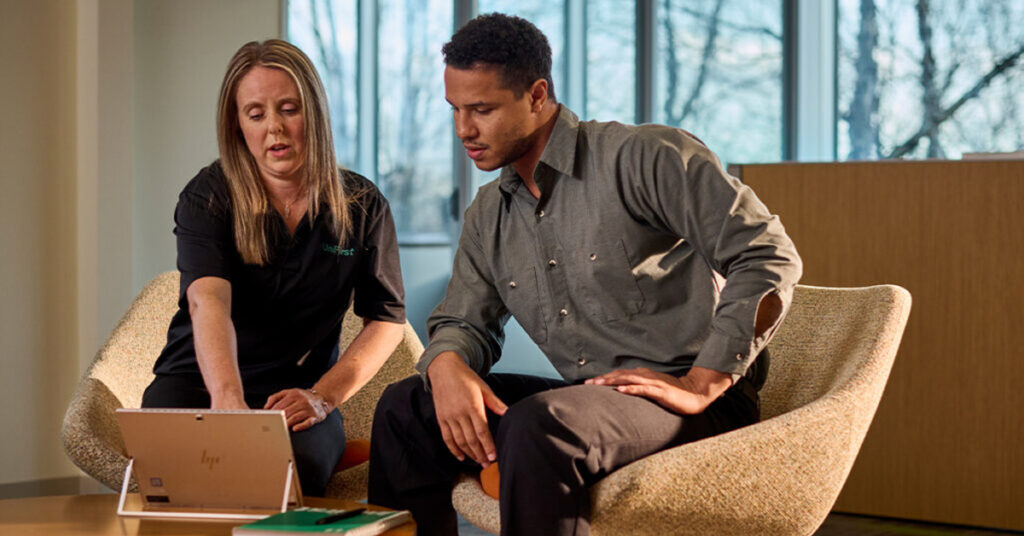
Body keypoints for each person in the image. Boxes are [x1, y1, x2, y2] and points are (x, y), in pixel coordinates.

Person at [367, 13, 803, 536]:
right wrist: (448, 367)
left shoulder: (642, 157)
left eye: (481, 109)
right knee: (405, 406)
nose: (464, 129)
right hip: (588, 402)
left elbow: (767, 254)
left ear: (536, 95)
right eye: (456, 110)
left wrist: (701, 383)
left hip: (693, 404)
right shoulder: (489, 215)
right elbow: (463, 320)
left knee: (541, 425)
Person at [142, 39, 406, 497]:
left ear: (315, 115)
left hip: (295, 396)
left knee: (285, 481)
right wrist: (227, 399)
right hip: (197, 384)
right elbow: (208, 300)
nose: (275, 129)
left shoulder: (362, 205)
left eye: (289, 109)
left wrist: (323, 398)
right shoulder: (208, 197)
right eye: (256, 114)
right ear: (237, 125)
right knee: (175, 483)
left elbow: (386, 319)